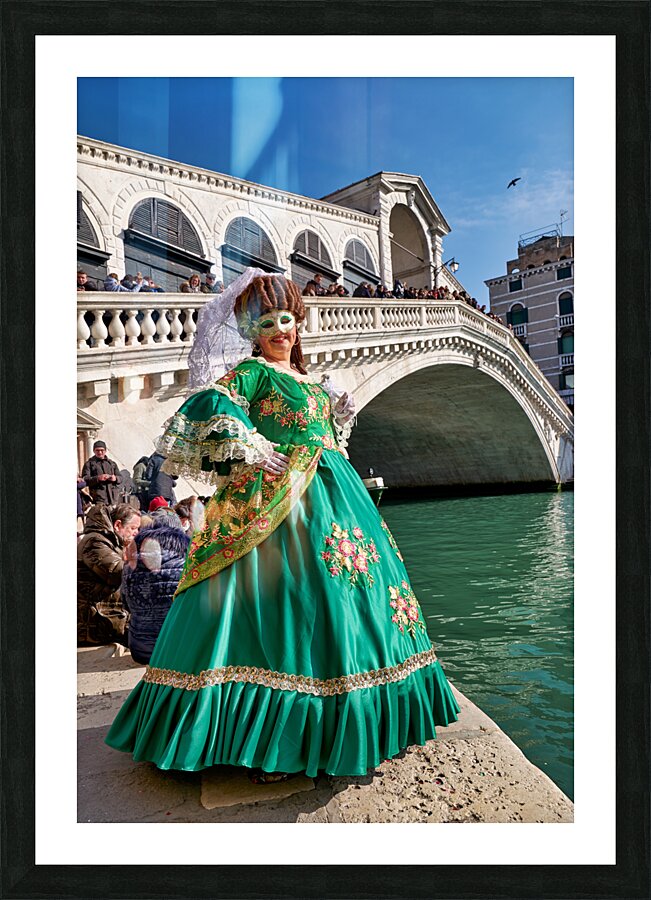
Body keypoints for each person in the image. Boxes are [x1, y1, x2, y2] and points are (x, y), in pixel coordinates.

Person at [106, 269, 458, 782]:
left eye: (286, 319)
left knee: (347, 598)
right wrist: (249, 439)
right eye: (267, 322)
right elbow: (211, 402)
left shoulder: (312, 381)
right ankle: (272, 737)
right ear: (254, 332)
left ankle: (351, 714)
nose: (278, 330)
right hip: (273, 502)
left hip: (335, 497)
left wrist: (337, 416)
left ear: (299, 323)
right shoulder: (253, 373)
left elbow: (326, 436)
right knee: (284, 602)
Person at [121, 509, 190, 665]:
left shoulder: (130, 564)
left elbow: (125, 604)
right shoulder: (188, 563)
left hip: (140, 649)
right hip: (179, 648)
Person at [77, 503, 141, 645]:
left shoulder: (110, 541)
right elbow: (118, 572)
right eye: (133, 528)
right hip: (93, 623)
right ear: (118, 525)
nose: (136, 533)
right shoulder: (95, 541)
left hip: (104, 615)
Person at [81, 441, 122, 505]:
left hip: (114, 498)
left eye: (102, 450)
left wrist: (115, 478)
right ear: (94, 451)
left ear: (105, 451)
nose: (100, 452)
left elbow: (120, 478)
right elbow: (85, 480)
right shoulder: (89, 464)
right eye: (97, 450)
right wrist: (98, 478)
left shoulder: (112, 464)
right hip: (98, 498)